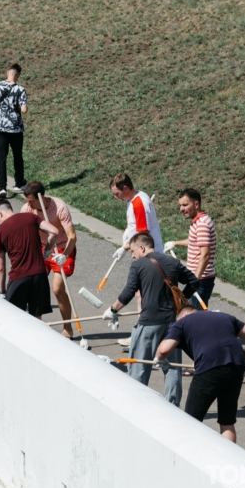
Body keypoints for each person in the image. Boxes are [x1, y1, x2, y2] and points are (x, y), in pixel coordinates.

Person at [102, 232, 199, 406]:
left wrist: (113, 309)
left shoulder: (138, 265)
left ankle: (137, 404)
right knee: (173, 368)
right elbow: (194, 281)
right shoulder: (172, 262)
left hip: (149, 322)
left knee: (139, 366)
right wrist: (182, 297)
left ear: (142, 247)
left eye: (132, 251)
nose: (132, 255)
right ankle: (172, 406)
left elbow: (129, 291)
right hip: (173, 323)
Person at [156, 306, 245, 443]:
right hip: (236, 367)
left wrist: (159, 359)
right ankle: (228, 459)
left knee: (191, 421)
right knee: (227, 422)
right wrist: (243, 363)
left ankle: (191, 457)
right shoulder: (225, 316)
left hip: (209, 368)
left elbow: (163, 350)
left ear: (186, 314)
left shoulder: (182, 322)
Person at [109, 173, 163, 347]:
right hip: (141, 252)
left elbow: (142, 233)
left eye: (117, 194)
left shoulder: (139, 203)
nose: (116, 198)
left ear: (125, 188)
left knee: (142, 294)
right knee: (141, 294)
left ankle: (142, 336)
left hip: (145, 254)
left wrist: (125, 248)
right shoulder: (135, 199)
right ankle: (141, 333)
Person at [19, 182, 78, 338]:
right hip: (42, 248)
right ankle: (36, 326)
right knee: (35, 286)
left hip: (63, 248)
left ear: (41, 197)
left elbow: (72, 236)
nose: (28, 204)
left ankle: (68, 328)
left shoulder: (59, 207)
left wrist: (64, 255)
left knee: (58, 288)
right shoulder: (27, 209)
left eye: (31, 201)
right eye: (27, 200)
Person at [0, 199, 61, 319]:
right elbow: (54, 232)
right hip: (39, 275)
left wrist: (2, 292)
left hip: (18, 278)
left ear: (0, 214)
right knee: (37, 319)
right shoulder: (31, 217)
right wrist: (47, 251)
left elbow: (0, 268)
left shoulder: (0, 233)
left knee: (14, 318)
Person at [164, 189, 217, 309]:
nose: (181, 209)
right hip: (198, 278)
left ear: (196, 204)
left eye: (185, 205)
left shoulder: (202, 224)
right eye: (180, 205)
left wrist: (195, 280)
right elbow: (195, 242)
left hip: (201, 279)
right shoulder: (198, 222)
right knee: (186, 309)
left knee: (195, 316)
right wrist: (175, 243)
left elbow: (205, 255)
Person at [0, 63, 28, 199]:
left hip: (0, 127)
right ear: (18, 75)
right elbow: (24, 110)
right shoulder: (20, 89)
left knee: (1, 158)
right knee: (17, 156)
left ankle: (2, 188)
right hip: (15, 128)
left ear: (7, 72)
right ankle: (19, 183)